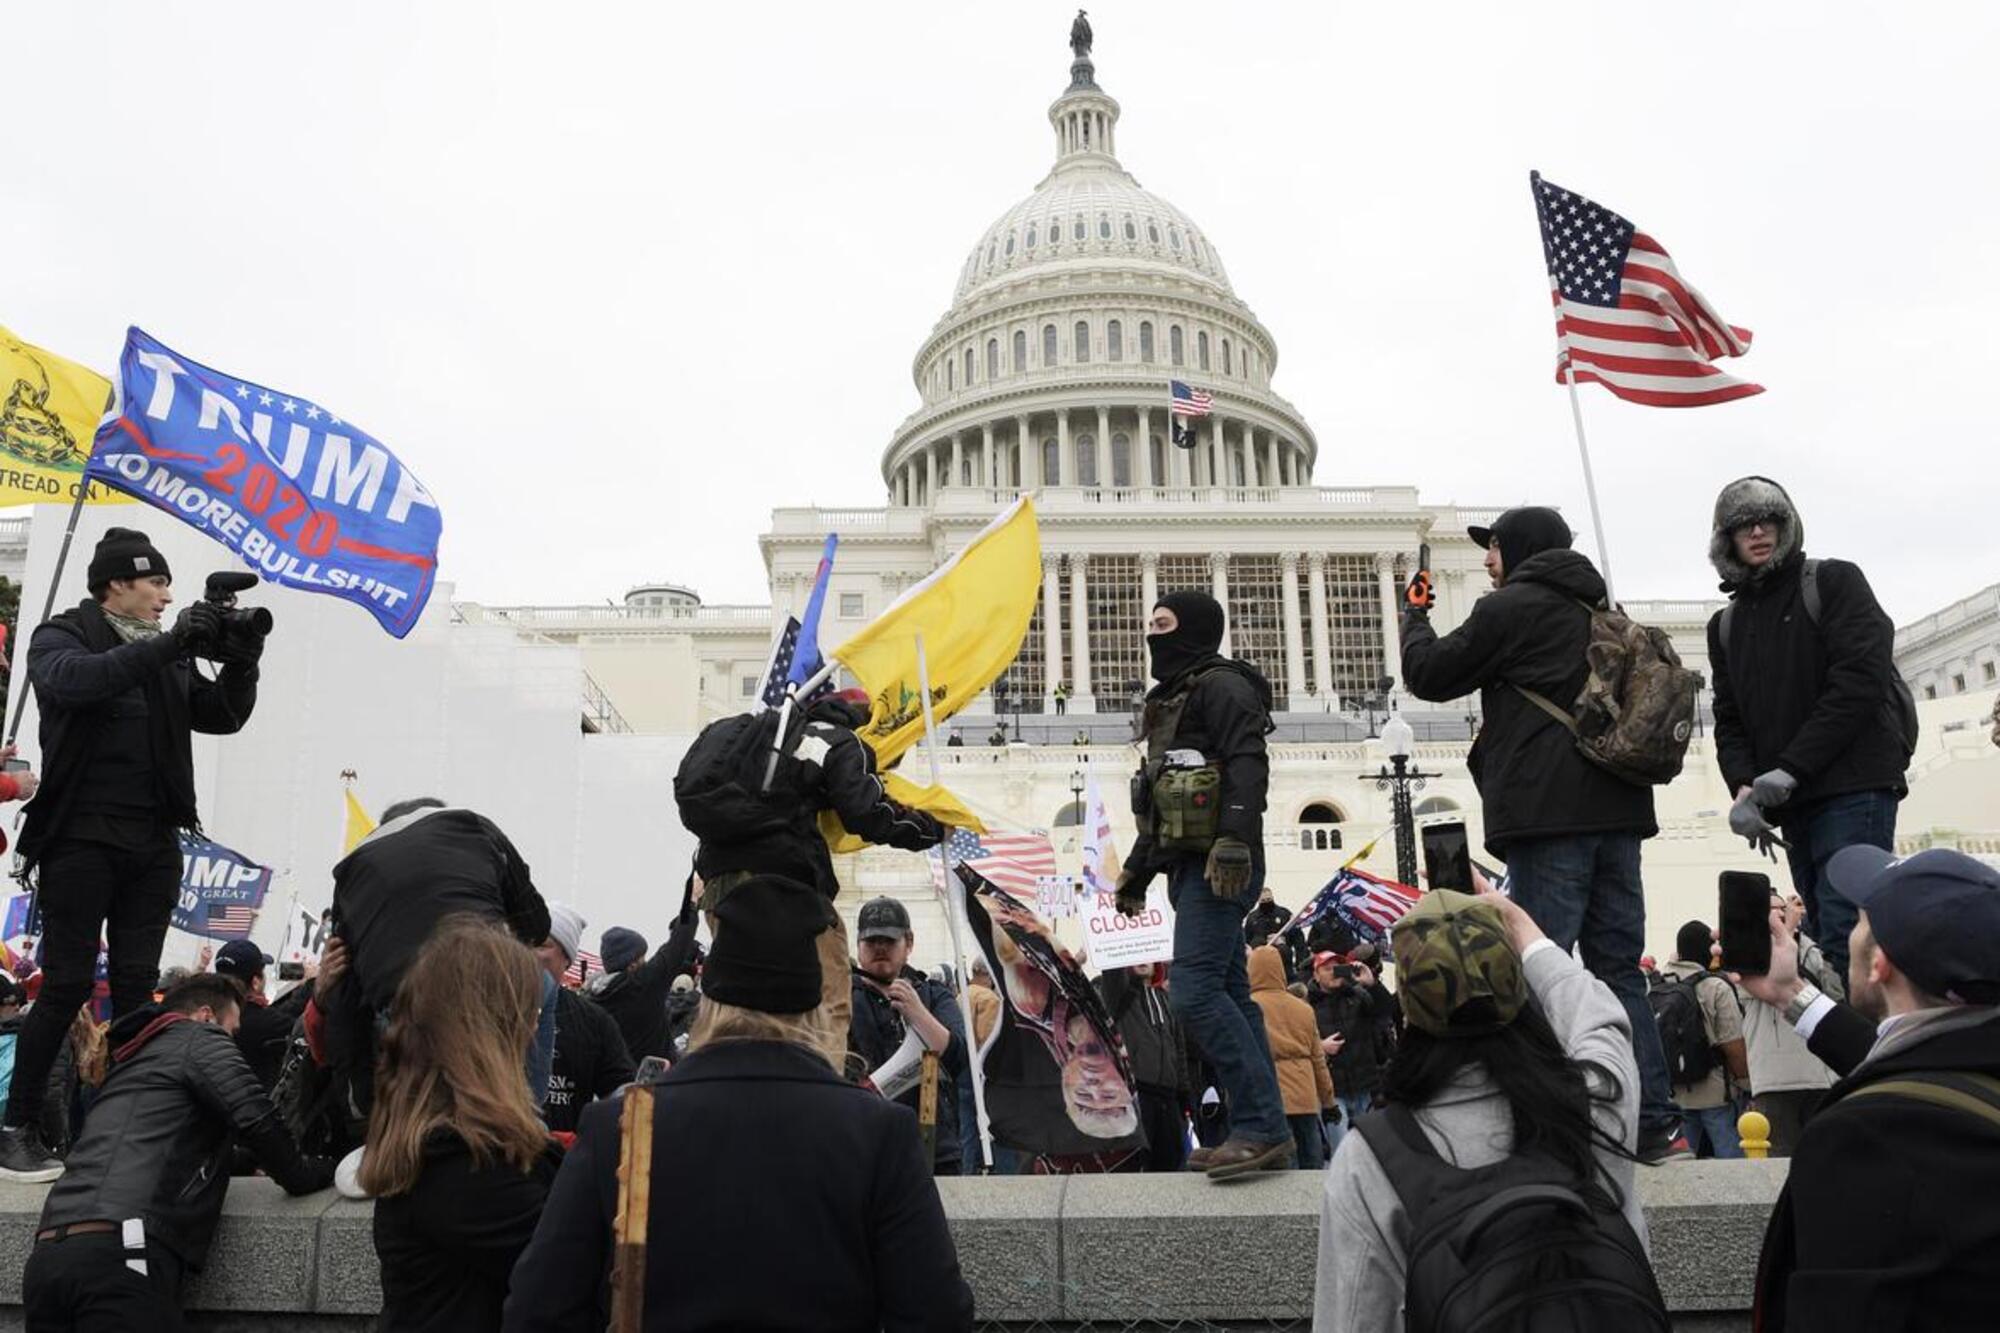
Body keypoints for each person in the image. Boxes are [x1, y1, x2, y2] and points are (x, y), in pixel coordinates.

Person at [502, 874, 975, 1332]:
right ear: (815, 1008)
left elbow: (538, 1308)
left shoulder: (619, 1125)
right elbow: (936, 1313)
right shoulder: (879, 1133)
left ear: (709, 1003)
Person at [1399, 506, 1678, 1160]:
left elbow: (1431, 673)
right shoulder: (1604, 609)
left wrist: (1414, 618)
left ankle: (1538, 1118)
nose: (1488, 564)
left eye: (1491, 551)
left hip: (1549, 816)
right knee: (1618, 972)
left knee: (1528, 963)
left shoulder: (1512, 608)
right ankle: (1651, 1122)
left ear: (1512, 547)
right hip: (1620, 813)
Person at [2, 528, 263, 1182]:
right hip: (79, 836)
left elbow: (225, 714)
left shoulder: (166, 653)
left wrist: (243, 658)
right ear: (117, 583)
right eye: (156, 583)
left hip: (153, 842)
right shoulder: (61, 636)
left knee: (136, 994)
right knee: (64, 984)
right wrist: (177, 640)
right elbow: (79, 683)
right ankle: (16, 1125)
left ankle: (118, 1128)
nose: (167, 596)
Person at [1314, 885, 1661, 1331]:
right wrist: (1518, 924)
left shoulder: (1374, 1158)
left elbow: (1354, 1319)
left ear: (1410, 1011)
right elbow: (1595, 1013)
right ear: (1516, 989)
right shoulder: (1596, 1100)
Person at [1733, 847, 2000, 1330]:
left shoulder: (1864, 1137)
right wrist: (1791, 994)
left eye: (1858, 921)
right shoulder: (1966, 1068)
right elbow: (1918, 1065)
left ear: (1881, 964)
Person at [20, 974, 333, 1328]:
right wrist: (310, 1172)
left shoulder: (130, 1063)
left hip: (49, 1253)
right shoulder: (199, 1037)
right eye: (233, 1029)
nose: (232, 1040)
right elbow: (256, 1118)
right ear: (206, 1015)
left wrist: (243, 1162)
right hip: (123, 1250)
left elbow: (164, 1146)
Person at [1706, 477, 1912, 984]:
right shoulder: (1724, 625)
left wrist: (1792, 767)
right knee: (1823, 930)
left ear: (1786, 523)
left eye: (1769, 519)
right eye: (1742, 525)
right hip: (1792, 803)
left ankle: (1876, 1057)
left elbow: (1858, 684)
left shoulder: (1835, 581)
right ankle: (1861, 1056)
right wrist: (1745, 785)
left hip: (1853, 785)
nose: (1758, 531)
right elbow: (1728, 718)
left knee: (1851, 934)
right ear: (1725, 539)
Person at [1116, 589, 1291, 1179]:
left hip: (1222, 862)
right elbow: (1162, 796)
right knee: (1232, 997)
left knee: (1191, 992)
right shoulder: (1174, 697)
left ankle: (1262, 1126)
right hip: (1188, 863)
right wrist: (1138, 871)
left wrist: (1236, 835)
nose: (1151, 637)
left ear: (1191, 630)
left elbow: (1247, 762)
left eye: (1163, 626)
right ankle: (1261, 1125)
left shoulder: (1222, 686)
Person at [685, 688, 946, 1054]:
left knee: (733, 994)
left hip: (721, 890)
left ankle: (708, 1071)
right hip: (787, 892)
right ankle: (823, 1077)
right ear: (862, 721)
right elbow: (865, 812)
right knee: (831, 991)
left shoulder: (769, 739)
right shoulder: (839, 741)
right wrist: (931, 828)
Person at [365, 919, 564, 1333]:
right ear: (494, 1029)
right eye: (530, 1013)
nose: (532, 1031)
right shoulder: (462, 1162)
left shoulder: (435, 1142)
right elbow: (570, 1274)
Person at [321, 799, 552, 1120]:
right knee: (545, 983)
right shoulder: (474, 826)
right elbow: (537, 926)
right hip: (481, 994)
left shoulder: (352, 871)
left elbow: (344, 989)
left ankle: (404, 1129)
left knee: (422, 1117)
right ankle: (530, 1114)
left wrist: (360, 1097)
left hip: (403, 1004)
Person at [847, 896, 968, 1175]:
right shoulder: (841, 997)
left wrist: (918, 1013)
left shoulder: (933, 994)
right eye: (871, 941)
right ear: (859, 945)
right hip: (864, 1143)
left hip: (934, 1148)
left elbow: (957, 1057)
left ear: (909, 943)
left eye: (889, 941)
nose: (880, 948)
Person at [1737, 890, 1839, 1157]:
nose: (1779, 915)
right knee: (1778, 1164)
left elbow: (1836, 993)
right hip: (1773, 1079)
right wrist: (1788, 930)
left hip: (1818, 1075)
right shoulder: (1747, 951)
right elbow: (1758, 987)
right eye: (1770, 911)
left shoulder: (1811, 950)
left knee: (1825, 1159)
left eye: (1783, 908)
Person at [536, 904, 634, 1135]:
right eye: (522, 941)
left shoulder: (592, 1021)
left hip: (562, 1162)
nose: (529, 951)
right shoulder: (490, 1009)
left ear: (567, 959)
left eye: (542, 944)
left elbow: (620, 1088)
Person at [1656, 922, 1747, 1159]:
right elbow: (1733, 1042)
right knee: (1731, 1163)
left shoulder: (1656, 985)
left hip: (1673, 1091)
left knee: (1684, 1161)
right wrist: (1746, 1084)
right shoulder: (1715, 986)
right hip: (1715, 1090)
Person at [584, 882, 700, 1065]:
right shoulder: (643, 984)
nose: (646, 962)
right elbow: (679, 943)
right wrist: (692, 901)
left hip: (614, 1086)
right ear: (632, 965)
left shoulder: (591, 1001)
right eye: (642, 958)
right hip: (653, 1083)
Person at [1096, 960, 1192, 1172]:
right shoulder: (1120, 996)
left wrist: (1184, 1094)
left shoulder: (1166, 999)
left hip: (1169, 1099)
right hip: (1137, 1096)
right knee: (1138, 1166)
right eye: (1135, 957)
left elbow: (1179, 1049)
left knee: (1172, 1165)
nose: (1141, 961)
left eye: (1146, 956)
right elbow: (1113, 971)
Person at [1248, 944, 1335, 1169]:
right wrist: (1328, 1102)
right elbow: (1318, 1060)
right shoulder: (1303, 1009)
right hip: (1305, 1097)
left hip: (1268, 1098)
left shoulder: (1249, 1007)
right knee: (1312, 1164)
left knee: (1280, 1171)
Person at [1308, 951, 1390, 1153]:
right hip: (1331, 1091)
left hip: (1363, 1086)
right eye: (1327, 969)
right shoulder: (1306, 1004)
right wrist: (1320, 1047)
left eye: (1337, 968)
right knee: (1341, 1150)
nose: (1334, 973)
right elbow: (1296, 1043)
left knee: (1368, 1150)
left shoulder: (1358, 995)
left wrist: (1372, 984)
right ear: (1316, 975)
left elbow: (1385, 1011)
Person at [213, 938, 312, 1092]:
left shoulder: (207, 1011)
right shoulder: (257, 1023)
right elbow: (297, 1025)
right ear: (256, 982)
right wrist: (311, 985)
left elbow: (272, 1015)